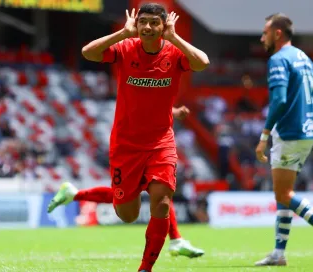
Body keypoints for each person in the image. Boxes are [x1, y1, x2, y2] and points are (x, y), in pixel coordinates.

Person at [48, 3, 209, 271]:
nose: (147, 27)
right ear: (137, 23)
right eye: (143, 21)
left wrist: (173, 37)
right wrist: (123, 34)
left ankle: (145, 268)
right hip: (126, 145)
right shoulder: (125, 48)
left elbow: (202, 63)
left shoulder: (174, 52)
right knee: (127, 213)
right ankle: (75, 193)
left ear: (163, 25)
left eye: (154, 23)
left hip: (161, 143)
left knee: (162, 201)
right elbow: (88, 52)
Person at [254, 13, 313, 267]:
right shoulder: (304, 58)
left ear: (277, 33)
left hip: (289, 131)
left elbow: (280, 100)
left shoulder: (278, 59)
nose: (261, 37)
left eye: (265, 32)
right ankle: (278, 253)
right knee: (283, 194)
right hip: (307, 132)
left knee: (283, 192)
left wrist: (264, 136)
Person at [48, 106, 204, 258]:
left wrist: (174, 111)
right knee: (127, 197)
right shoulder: (137, 86)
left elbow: (155, 106)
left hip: (151, 148)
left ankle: (176, 239)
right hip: (132, 149)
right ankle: (74, 194)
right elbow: (145, 107)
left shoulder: (154, 88)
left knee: (160, 190)